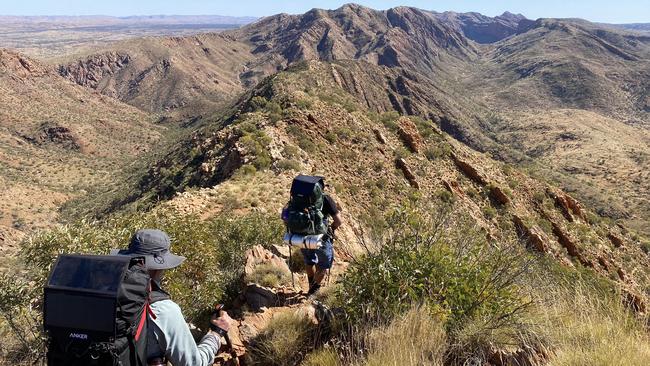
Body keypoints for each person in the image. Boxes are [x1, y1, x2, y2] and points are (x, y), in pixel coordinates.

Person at [113, 229, 232, 366]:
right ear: (159, 268)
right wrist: (217, 334)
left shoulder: (102, 294)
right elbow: (193, 363)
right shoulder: (162, 309)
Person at [301, 187, 342, 295]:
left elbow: (286, 217)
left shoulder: (300, 197)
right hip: (321, 237)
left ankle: (311, 286)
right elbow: (338, 221)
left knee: (309, 261)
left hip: (303, 237)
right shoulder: (325, 198)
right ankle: (313, 292)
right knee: (323, 265)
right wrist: (331, 229)